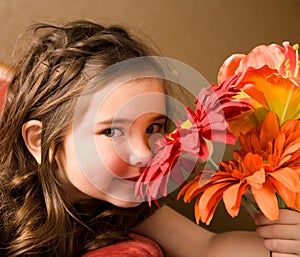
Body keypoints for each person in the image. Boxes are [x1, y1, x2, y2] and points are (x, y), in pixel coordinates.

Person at [0, 20, 299, 257]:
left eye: (153, 128)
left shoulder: (116, 203)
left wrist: (282, 248)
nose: (145, 154)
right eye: (112, 131)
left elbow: (208, 247)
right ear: (39, 141)